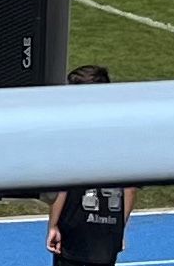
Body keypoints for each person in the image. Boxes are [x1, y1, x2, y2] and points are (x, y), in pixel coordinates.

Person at [47, 67, 136, 266]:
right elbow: (129, 189)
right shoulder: (123, 135)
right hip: (107, 234)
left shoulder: (72, 132)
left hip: (74, 231)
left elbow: (62, 185)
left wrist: (53, 225)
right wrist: (119, 227)